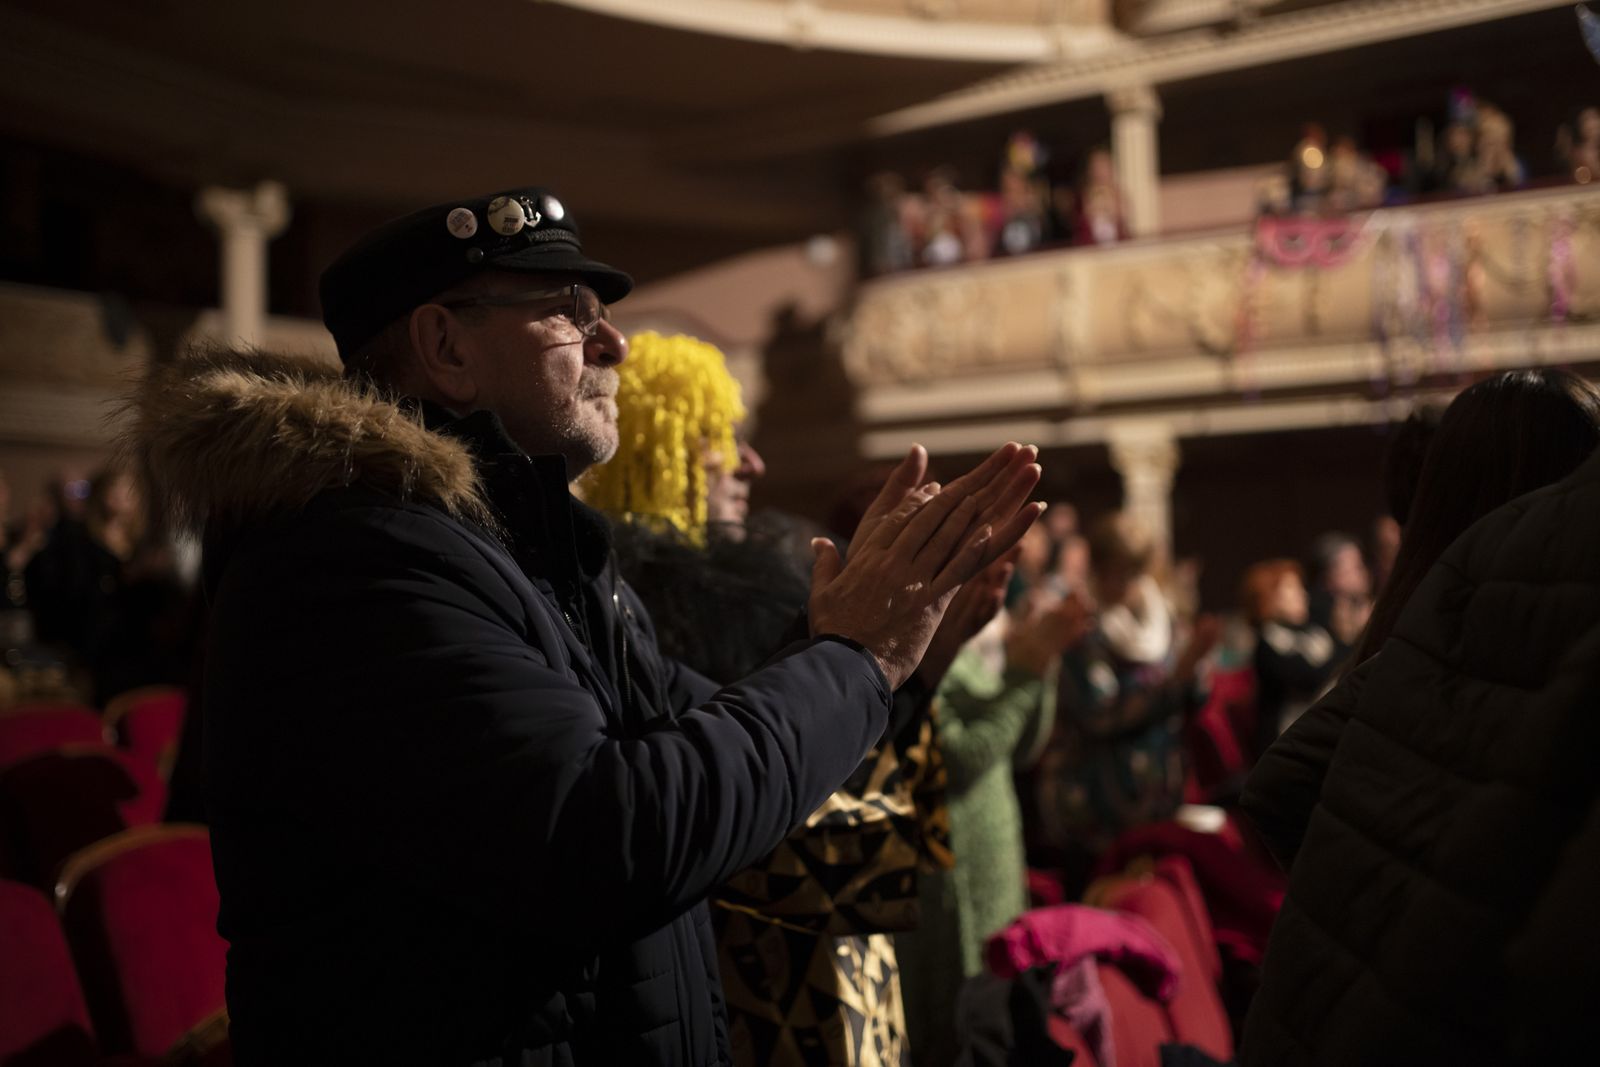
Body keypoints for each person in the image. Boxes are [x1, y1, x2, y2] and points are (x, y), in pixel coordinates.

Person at [126, 186, 1045, 1066]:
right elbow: (613, 830)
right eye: (571, 311)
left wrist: (889, 648)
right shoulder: (360, 564)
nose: (615, 343)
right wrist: (854, 656)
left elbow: (719, 736)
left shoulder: (538, 555)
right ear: (445, 346)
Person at [583, 331, 947, 1066]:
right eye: (720, 437)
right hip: (756, 975)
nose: (752, 462)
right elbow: (763, 808)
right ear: (655, 448)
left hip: (840, 950)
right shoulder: (636, 612)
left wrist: (928, 651)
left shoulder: (745, 585)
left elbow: (879, 780)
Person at [1238, 424, 1600, 1065]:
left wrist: (1356, 910)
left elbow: (1283, 779)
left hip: (1327, 1005)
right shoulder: (1526, 567)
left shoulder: (1470, 567)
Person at [1239, 559, 1336, 761]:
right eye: (1293, 588)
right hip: (1284, 745)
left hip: (1318, 735)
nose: (1303, 594)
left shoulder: (1316, 635)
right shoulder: (1268, 644)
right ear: (1270, 597)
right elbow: (1310, 679)